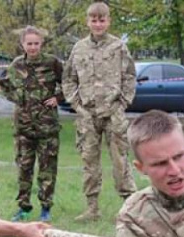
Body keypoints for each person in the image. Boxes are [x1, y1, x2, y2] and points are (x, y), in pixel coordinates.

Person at [63, 1, 137, 222]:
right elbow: (68, 79)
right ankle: (92, 208)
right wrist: (77, 105)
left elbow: (130, 77)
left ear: (108, 21)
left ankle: (130, 207)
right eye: (94, 20)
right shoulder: (79, 48)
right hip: (87, 114)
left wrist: (123, 103)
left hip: (113, 112)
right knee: (89, 161)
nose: (98, 24)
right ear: (87, 22)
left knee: (120, 160)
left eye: (102, 20)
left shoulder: (118, 47)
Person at [0, 26, 63, 223]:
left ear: (41, 44)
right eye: (29, 43)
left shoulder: (52, 63)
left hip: (47, 126)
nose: (33, 47)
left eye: (36, 43)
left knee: (47, 169)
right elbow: (3, 84)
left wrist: (58, 98)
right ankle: (23, 207)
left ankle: (45, 208)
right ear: (23, 44)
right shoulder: (16, 65)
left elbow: (70, 83)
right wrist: (17, 98)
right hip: (23, 127)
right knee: (24, 168)